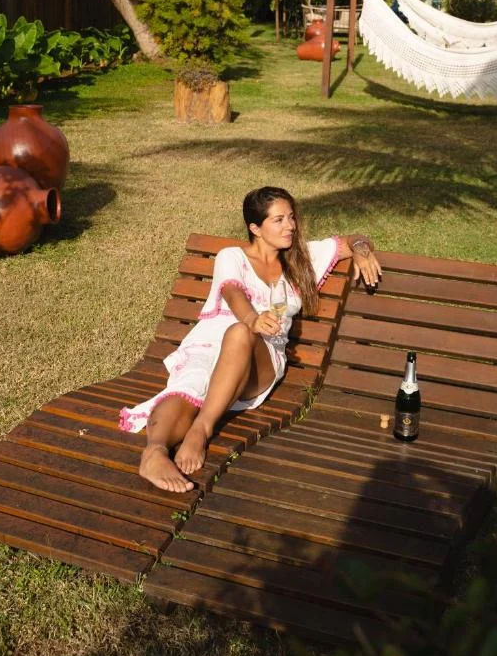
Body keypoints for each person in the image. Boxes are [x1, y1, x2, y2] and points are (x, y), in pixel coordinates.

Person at [119, 186, 382, 492]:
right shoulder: (232, 257)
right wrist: (252, 319)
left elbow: (352, 240)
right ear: (255, 228)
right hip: (211, 341)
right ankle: (154, 452)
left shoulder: (302, 257)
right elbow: (232, 292)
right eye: (279, 220)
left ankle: (200, 430)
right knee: (192, 383)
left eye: (291, 217)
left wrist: (361, 251)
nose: (290, 226)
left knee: (240, 334)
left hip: (262, 357)